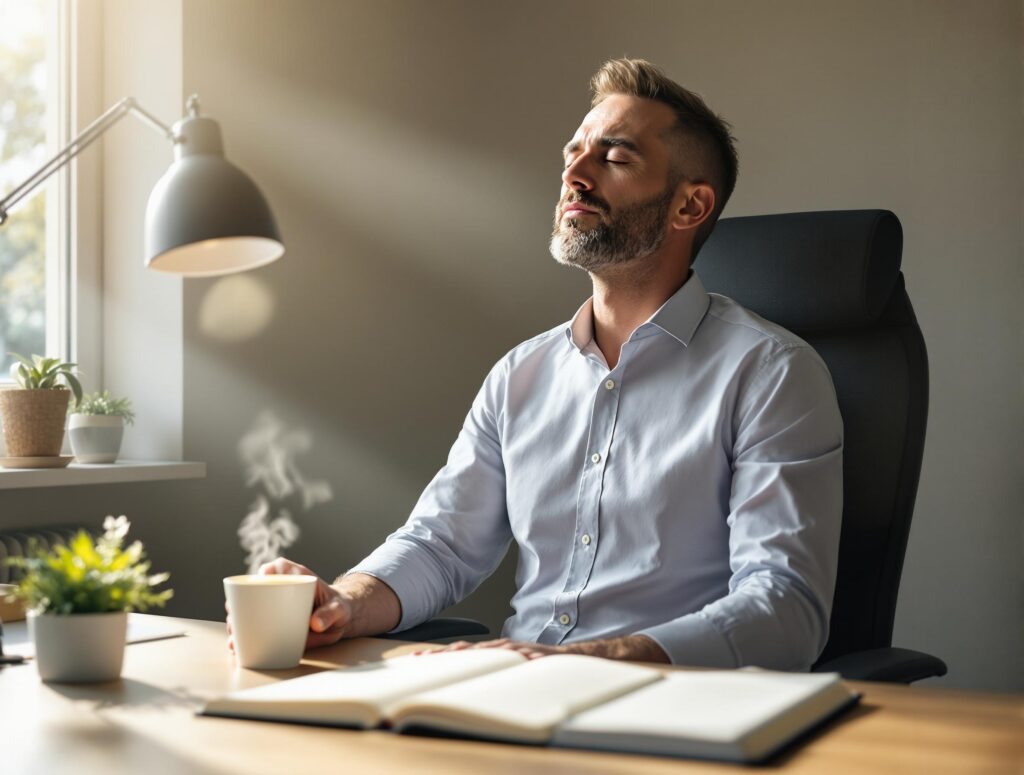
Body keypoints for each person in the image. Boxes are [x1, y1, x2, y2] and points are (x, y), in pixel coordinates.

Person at [234, 58, 843, 670]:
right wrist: (344, 603)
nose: (574, 174)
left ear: (689, 206)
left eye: (615, 158)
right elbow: (442, 545)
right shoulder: (519, 375)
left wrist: (593, 659)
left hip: (671, 707)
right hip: (517, 692)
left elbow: (783, 608)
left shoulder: (773, 373)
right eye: (573, 155)